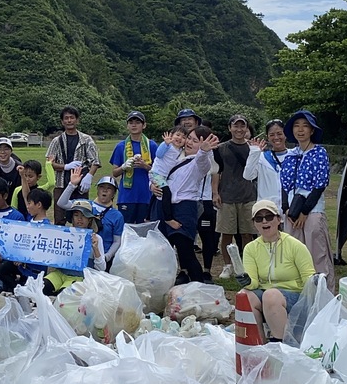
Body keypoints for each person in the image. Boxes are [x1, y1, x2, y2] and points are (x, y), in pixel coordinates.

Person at [240, 199, 317, 343]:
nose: (264, 221)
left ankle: (281, 345)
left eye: (269, 217)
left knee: (271, 296)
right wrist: (247, 281)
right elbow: (254, 283)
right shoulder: (250, 248)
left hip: (296, 296)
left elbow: (309, 278)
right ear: (254, 223)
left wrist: (316, 284)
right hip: (267, 293)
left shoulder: (295, 245)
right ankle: (258, 345)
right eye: (259, 218)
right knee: (244, 296)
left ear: (278, 220)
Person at [279, 110, 335, 290]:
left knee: (317, 254)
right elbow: (284, 184)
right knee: (293, 254)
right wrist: (286, 209)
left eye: (305, 126)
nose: (300, 130)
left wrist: (304, 212)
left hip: (312, 210)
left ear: (312, 130)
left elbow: (319, 185)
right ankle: (299, 293)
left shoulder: (319, 153)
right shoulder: (290, 155)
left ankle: (324, 294)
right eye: (296, 126)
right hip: (292, 211)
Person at [157, 125, 219, 284]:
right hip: (169, 206)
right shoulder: (178, 155)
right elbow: (162, 173)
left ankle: (199, 286)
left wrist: (204, 151)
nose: (190, 142)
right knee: (170, 250)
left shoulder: (199, 162)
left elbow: (203, 163)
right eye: (189, 138)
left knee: (186, 251)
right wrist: (154, 186)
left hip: (185, 208)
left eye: (195, 140)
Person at [212, 114, 258, 260]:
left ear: (247, 128)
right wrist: (215, 193)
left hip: (248, 196)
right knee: (227, 234)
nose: (239, 129)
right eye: (235, 126)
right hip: (227, 196)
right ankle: (227, 265)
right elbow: (216, 172)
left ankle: (248, 263)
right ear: (229, 128)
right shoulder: (220, 149)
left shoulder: (253, 148)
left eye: (242, 125)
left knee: (248, 233)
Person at [46, 106, 101, 225]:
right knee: (59, 218)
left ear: (77, 120)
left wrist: (89, 176)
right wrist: (65, 166)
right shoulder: (56, 141)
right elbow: (49, 163)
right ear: (62, 121)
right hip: (61, 183)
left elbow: (95, 161)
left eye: (72, 117)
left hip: (81, 184)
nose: (69, 120)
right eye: (66, 118)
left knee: (82, 216)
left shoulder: (86, 140)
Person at [58, 172, 124, 269]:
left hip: (102, 257)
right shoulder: (85, 205)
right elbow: (62, 203)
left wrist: (107, 256)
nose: (105, 190)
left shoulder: (117, 216)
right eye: (102, 187)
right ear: (97, 190)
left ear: (114, 193)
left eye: (109, 188)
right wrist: (71, 185)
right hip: (80, 253)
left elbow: (117, 241)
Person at [42, 199, 105, 296]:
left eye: (84, 216)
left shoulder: (96, 238)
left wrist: (95, 249)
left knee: (64, 295)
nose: (80, 219)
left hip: (80, 277)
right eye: (76, 215)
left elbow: (101, 268)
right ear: (72, 218)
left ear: (89, 219)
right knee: (42, 286)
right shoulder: (63, 235)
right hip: (60, 274)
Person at [110, 110, 159, 224]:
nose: (134, 125)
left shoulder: (151, 145)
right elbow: (115, 173)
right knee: (126, 230)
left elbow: (159, 172)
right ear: (127, 125)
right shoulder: (121, 146)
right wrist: (123, 167)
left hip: (146, 195)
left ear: (144, 125)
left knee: (145, 231)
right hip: (127, 196)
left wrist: (145, 166)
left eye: (137, 122)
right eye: (131, 122)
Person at [243, 119, 290, 213]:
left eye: (279, 133)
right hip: (267, 210)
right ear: (267, 137)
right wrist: (254, 152)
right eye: (272, 135)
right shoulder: (262, 157)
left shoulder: (294, 156)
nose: (276, 137)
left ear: (286, 134)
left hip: (290, 209)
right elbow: (248, 176)